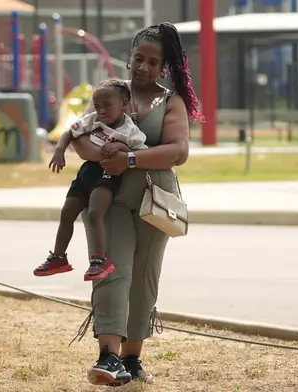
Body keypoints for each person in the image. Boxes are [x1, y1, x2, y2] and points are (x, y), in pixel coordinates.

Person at [69, 22, 202, 386]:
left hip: (154, 200)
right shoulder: (110, 93)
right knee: (111, 269)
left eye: (152, 62)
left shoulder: (171, 101)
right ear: (129, 58)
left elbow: (178, 151)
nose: (143, 66)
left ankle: (132, 358)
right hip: (108, 194)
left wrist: (129, 159)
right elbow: (79, 134)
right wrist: (100, 155)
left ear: (164, 67)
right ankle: (108, 355)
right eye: (138, 58)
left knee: (144, 275)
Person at [33, 79, 147, 281]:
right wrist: (59, 151)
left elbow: (138, 153)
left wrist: (120, 147)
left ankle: (100, 259)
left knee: (95, 212)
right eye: (98, 105)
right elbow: (69, 132)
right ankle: (59, 257)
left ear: (124, 104)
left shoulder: (130, 131)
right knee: (67, 212)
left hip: (107, 173)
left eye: (108, 105)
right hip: (85, 173)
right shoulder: (92, 120)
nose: (102, 110)